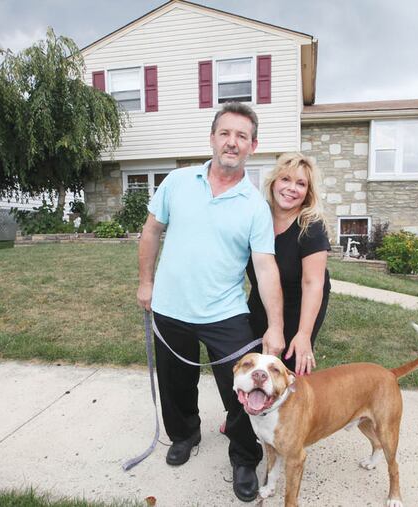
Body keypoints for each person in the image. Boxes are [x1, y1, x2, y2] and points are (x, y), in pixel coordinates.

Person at [137, 102, 284, 503]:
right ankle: (184, 434)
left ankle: (243, 457)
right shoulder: (177, 181)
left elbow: (265, 267)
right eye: (225, 133)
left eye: (241, 136)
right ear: (212, 138)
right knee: (174, 382)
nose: (232, 142)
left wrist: (275, 326)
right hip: (169, 307)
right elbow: (151, 232)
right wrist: (146, 282)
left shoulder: (255, 206)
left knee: (240, 386)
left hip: (225, 313)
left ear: (253, 146)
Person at [247, 153, 331, 376]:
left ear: (307, 193)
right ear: (274, 182)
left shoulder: (311, 226)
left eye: (301, 183)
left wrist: (304, 334)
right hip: (262, 299)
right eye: (285, 179)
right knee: (255, 360)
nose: (292, 188)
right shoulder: (257, 216)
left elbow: (313, 283)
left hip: (300, 303)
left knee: (289, 363)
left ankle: (295, 408)